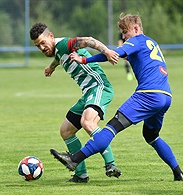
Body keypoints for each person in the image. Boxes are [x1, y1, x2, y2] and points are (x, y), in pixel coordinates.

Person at [50, 13, 183, 181]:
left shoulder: (136, 41)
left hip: (147, 95)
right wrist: (90, 59)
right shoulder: (151, 43)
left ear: (136, 29)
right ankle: (178, 172)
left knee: (111, 128)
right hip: (165, 96)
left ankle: (75, 159)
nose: (123, 36)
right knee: (151, 136)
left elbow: (111, 53)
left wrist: (84, 59)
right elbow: (114, 55)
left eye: (125, 31)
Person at [29, 22, 122, 183]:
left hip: (99, 87)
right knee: (66, 131)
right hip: (88, 93)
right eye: (38, 46)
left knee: (87, 122)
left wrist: (106, 51)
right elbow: (59, 57)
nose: (42, 48)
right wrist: (52, 67)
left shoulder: (65, 44)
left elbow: (88, 40)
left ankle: (111, 164)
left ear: (51, 36)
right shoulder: (58, 51)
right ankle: (81, 174)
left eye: (43, 43)